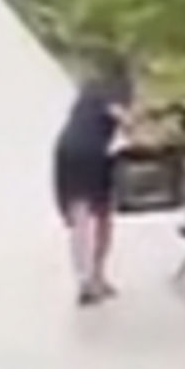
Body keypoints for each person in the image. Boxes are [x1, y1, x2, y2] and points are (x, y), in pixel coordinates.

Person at [53, 52, 138, 306]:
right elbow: (123, 119)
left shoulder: (90, 88)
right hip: (92, 154)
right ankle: (97, 276)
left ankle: (85, 280)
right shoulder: (117, 91)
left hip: (67, 149)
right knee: (102, 216)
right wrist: (137, 126)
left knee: (81, 218)